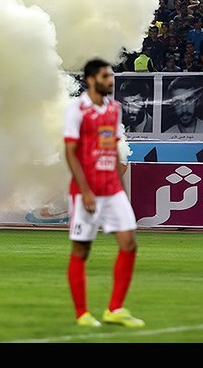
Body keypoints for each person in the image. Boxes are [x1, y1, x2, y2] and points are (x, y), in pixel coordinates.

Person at [63, 58, 143, 328]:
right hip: (87, 190)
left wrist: (121, 185)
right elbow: (70, 152)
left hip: (112, 189)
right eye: (105, 76)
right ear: (90, 80)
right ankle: (82, 313)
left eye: (111, 75)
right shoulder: (77, 109)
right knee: (82, 248)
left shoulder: (114, 109)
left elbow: (111, 148)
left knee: (129, 243)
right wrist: (85, 191)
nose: (111, 80)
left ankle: (115, 309)